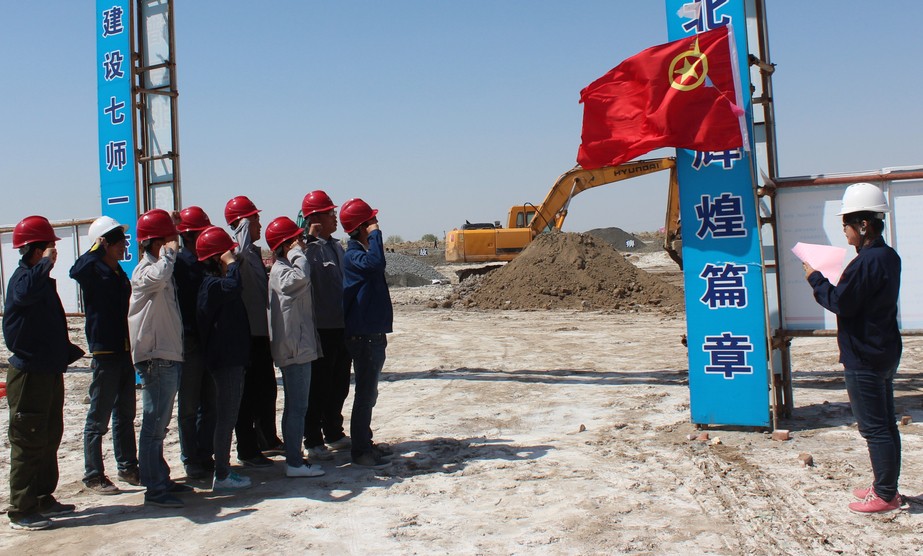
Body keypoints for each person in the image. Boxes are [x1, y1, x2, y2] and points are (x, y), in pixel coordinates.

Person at [803, 182, 903, 514]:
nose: (843, 230)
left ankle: (885, 494)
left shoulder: (866, 262)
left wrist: (815, 278)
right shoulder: (887, 257)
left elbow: (842, 303)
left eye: (846, 223)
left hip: (864, 356)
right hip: (883, 350)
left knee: (875, 428)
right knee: (886, 424)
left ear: (863, 225)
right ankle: (885, 485)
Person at [3, 215, 83, 530]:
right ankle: (21, 509)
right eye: (50, 247)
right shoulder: (24, 278)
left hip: (47, 370)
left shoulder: (37, 279)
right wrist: (45, 264)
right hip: (29, 375)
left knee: (49, 435)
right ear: (38, 250)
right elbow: (24, 295)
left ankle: (41, 496)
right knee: (28, 439)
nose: (54, 252)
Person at [128, 209, 193, 508]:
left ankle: (160, 477)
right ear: (157, 243)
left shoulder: (159, 266)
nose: (175, 244)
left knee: (160, 426)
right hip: (156, 357)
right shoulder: (145, 271)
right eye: (169, 239)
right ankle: (154, 488)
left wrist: (172, 226)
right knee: (153, 426)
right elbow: (159, 276)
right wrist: (168, 253)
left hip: (166, 354)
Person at [69, 216, 139, 495]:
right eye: (119, 242)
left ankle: (128, 466)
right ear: (105, 243)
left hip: (124, 350)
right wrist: (95, 249)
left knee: (125, 414)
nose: (124, 246)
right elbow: (75, 270)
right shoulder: (92, 269)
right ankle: (93, 474)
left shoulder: (117, 271)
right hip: (105, 352)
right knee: (98, 418)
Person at [225, 196, 283, 467]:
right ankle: (248, 449)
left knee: (266, 390)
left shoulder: (254, 254)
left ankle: (267, 439)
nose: (260, 224)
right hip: (246, 335)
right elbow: (240, 244)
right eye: (255, 220)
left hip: (261, 333)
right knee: (247, 395)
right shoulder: (238, 253)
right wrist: (244, 224)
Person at [266, 217, 325, 478]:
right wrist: (297, 252)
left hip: (296, 347)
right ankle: (294, 463)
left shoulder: (283, 268)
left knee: (294, 407)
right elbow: (301, 276)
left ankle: (294, 458)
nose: (301, 243)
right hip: (294, 349)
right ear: (285, 245)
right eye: (296, 239)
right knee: (298, 408)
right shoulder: (283, 272)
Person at [195, 226, 253, 491]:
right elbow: (234, 285)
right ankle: (222, 473)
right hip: (225, 360)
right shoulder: (213, 285)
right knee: (226, 417)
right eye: (226, 254)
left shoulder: (215, 284)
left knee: (228, 415)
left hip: (232, 357)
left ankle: (223, 470)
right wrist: (230, 263)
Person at [340, 199, 394, 469]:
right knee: (365, 394)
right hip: (364, 337)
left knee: (369, 394)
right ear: (361, 227)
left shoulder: (359, 253)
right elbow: (376, 263)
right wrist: (376, 234)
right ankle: (360, 451)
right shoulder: (354, 256)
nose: (376, 224)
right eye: (371, 222)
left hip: (371, 334)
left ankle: (365, 442)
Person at [301, 191, 352, 461]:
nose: (335, 217)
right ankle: (312, 438)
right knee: (318, 386)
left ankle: (333, 431)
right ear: (315, 218)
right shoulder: (305, 250)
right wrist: (308, 241)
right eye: (330, 213)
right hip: (320, 329)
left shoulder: (336, 246)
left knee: (339, 384)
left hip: (341, 325)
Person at [174, 207, 218, 480]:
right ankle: (191, 458)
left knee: (210, 404)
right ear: (189, 235)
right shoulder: (179, 264)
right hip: (189, 341)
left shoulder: (206, 262)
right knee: (189, 406)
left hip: (209, 339)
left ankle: (205, 454)